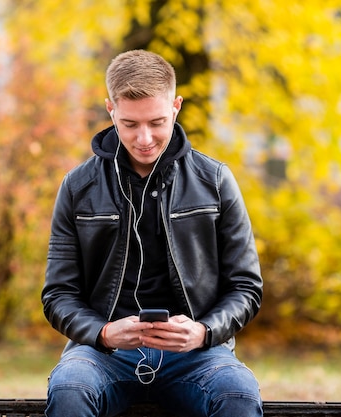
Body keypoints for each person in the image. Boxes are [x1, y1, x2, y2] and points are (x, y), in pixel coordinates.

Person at [42, 49, 263, 417]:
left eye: (157, 122)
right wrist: (103, 333)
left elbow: (246, 287)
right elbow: (58, 294)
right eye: (130, 124)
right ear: (111, 110)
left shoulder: (216, 181)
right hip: (103, 354)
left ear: (176, 107)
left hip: (197, 354)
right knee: (70, 388)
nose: (144, 138)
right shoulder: (77, 187)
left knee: (238, 394)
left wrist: (203, 332)